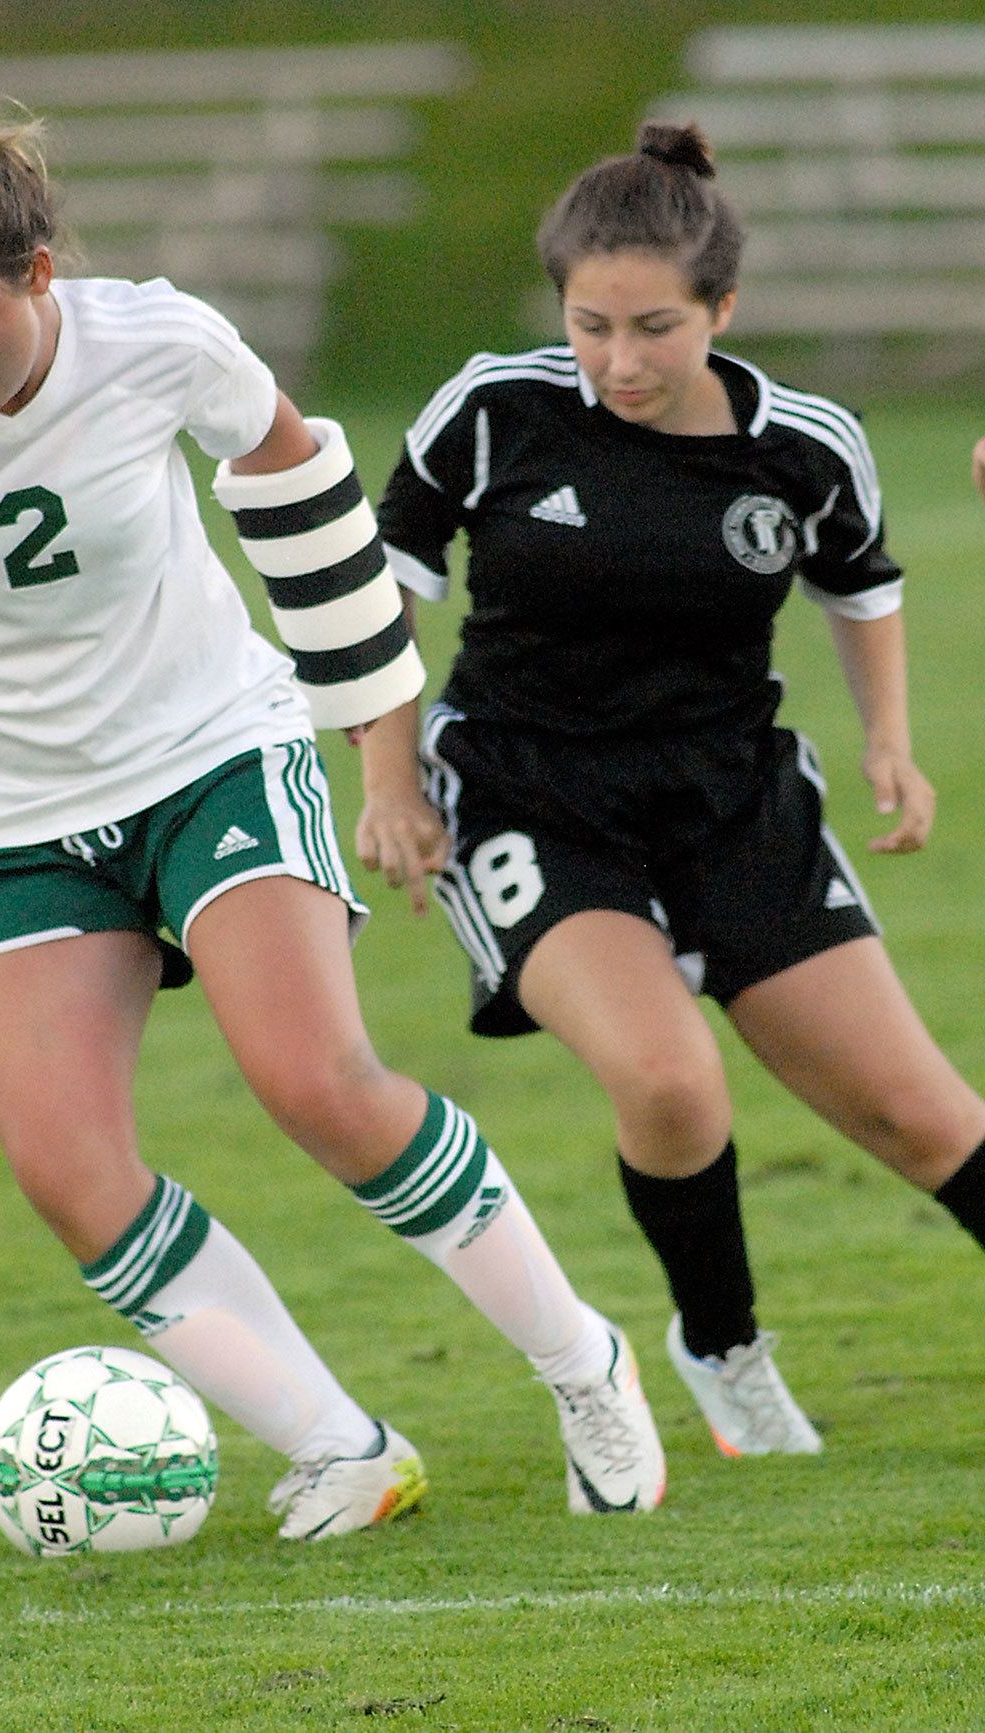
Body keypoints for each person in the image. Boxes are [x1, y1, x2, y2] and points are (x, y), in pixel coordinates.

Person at [0, 65, 667, 1540]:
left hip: (213, 757)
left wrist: (376, 749)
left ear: (38, 273)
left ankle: (582, 1360)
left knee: (315, 1081)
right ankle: (345, 1445)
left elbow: (309, 507)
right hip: (9, 823)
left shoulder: (160, 340)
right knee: (67, 1170)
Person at [359, 120, 985, 1459]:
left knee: (926, 1114)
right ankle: (726, 1348)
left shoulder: (805, 445)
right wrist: (389, 779)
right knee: (670, 1080)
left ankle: (724, 1347)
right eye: (590, 325)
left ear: (724, 309)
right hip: (530, 794)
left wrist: (889, 738)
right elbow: (381, 592)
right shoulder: (493, 410)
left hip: (733, 794)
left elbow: (861, 586)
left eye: (654, 327)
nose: (619, 362)